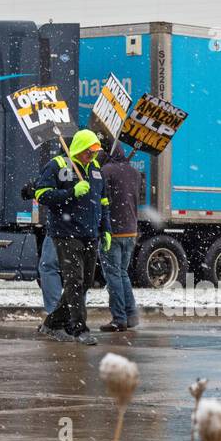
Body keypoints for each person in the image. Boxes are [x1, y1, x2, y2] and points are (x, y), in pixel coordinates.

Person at [34, 128, 109, 344]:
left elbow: (103, 203)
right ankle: (79, 329)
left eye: (95, 152)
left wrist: (106, 230)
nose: (92, 156)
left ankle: (51, 323)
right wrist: (70, 193)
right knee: (74, 281)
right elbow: (42, 194)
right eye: (89, 152)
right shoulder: (58, 165)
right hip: (66, 233)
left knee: (85, 282)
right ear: (78, 149)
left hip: (90, 234)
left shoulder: (96, 169)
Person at [98, 141, 142, 332]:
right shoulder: (134, 172)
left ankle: (119, 318)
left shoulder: (106, 171)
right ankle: (131, 315)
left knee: (113, 275)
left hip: (112, 231)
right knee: (122, 273)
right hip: (131, 229)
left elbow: (101, 198)